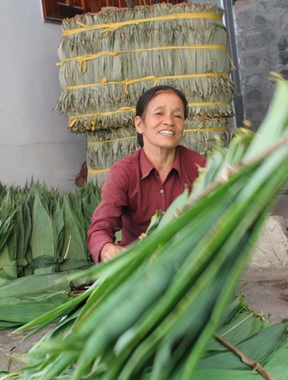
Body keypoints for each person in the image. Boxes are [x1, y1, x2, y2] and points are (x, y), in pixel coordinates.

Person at [87, 85, 207, 263]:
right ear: (139, 124)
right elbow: (100, 228)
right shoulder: (124, 172)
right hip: (137, 268)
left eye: (178, 115)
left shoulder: (200, 167)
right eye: (159, 113)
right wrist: (107, 249)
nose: (169, 121)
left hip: (187, 266)